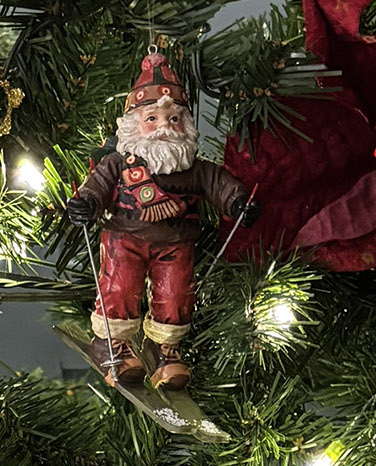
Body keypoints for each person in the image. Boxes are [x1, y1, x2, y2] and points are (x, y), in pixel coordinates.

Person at [64, 49, 255, 392]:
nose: (165, 128)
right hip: (124, 237)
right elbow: (97, 187)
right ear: (134, 125)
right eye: (152, 119)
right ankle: (112, 345)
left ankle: (163, 349)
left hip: (177, 243)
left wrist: (238, 201)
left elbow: (218, 184)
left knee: (176, 294)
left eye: (174, 120)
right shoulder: (119, 164)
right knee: (119, 287)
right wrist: (85, 203)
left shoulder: (193, 168)